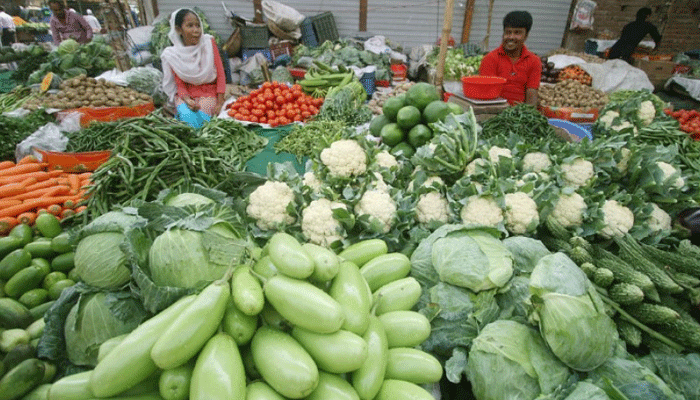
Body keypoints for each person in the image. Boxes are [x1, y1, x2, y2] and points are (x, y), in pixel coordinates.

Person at [161, 8, 226, 129]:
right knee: (187, 118)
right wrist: (187, 99)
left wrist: (220, 102)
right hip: (186, 93)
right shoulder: (173, 54)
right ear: (178, 29)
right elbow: (179, 82)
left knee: (200, 120)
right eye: (190, 26)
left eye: (197, 25)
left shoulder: (208, 43)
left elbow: (221, 74)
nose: (196, 30)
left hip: (208, 91)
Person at [478, 11, 541, 106]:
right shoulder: (490, 59)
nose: (511, 37)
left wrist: (527, 114)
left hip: (519, 113)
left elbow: (531, 93)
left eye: (517, 33)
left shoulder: (534, 61)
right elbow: (486, 94)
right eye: (508, 32)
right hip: (494, 111)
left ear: (526, 36)